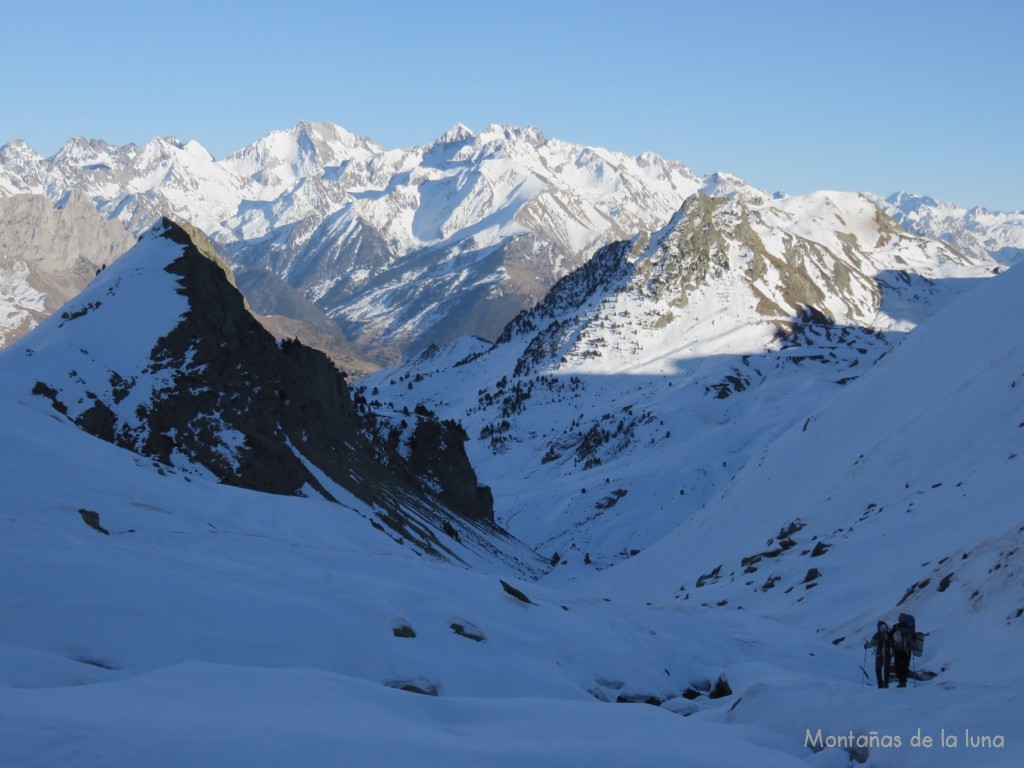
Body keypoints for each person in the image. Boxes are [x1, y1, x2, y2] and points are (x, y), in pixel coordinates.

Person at [864, 620, 891, 688]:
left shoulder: (877, 635)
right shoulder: (889, 633)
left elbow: (871, 644)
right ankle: (886, 683)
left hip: (879, 655)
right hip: (888, 654)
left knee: (878, 669)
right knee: (886, 669)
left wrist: (866, 645)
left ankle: (880, 684)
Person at [890, 619, 913, 688]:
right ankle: (903, 681)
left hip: (897, 650)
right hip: (907, 650)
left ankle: (900, 680)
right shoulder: (910, 628)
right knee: (905, 666)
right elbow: (914, 637)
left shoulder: (896, 627)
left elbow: (890, 636)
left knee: (898, 665)